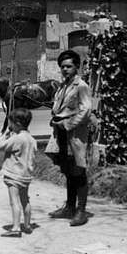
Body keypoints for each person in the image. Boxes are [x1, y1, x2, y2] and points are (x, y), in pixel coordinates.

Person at [45, 49, 92, 227]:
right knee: (68, 169)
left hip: (75, 133)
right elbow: (58, 106)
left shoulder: (81, 86)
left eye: (69, 66)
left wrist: (68, 123)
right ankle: (69, 207)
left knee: (78, 170)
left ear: (77, 67)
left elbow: (86, 110)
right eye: (62, 66)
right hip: (62, 134)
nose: (65, 69)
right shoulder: (64, 86)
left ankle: (81, 210)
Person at [0, 107, 37, 238]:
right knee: (25, 200)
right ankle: (27, 225)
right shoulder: (31, 139)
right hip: (26, 175)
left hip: (14, 175)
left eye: (11, 123)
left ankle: (16, 227)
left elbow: (0, 146)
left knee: (14, 201)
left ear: (17, 124)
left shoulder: (17, 139)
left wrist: (5, 133)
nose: (10, 126)